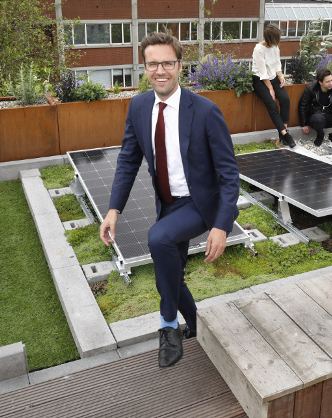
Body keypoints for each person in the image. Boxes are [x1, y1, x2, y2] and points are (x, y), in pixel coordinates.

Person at [99, 32, 240, 368]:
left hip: (201, 204)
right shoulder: (138, 106)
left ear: (179, 66)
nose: (159, 70)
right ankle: (196, 325)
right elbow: (128, 161)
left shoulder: (205, 111)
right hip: (168, 203)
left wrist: (221, 226)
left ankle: (167, 326)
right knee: (171, 272)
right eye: (152, 64)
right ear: (144, 67)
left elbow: (229, 175)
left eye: (166, 63)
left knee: (158, 238)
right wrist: (113, 210)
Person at [252, 24, 295, 148]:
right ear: (270, 38)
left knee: (285, 100)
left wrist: (281, 76)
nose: (278, 42)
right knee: (272, 105)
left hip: (273, 78)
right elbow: (262, 72)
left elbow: (277, 64)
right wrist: (270, 88)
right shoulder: (258, 49)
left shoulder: (275, 47)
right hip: (260, 80)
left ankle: (283, 133)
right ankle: (286, 135)